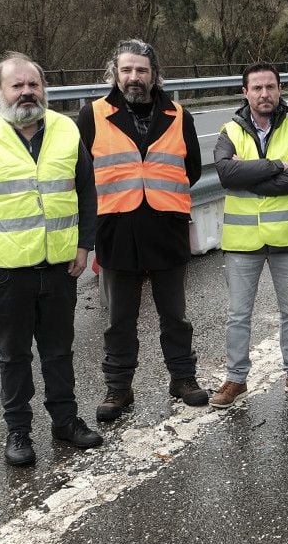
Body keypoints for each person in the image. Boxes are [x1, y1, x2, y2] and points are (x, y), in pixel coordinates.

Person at [0, 52, 102, 466]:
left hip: (60, 267)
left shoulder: (66, 129)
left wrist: (84, 245)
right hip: (5, 273)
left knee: (59, 351)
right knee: (14, 356)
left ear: (43, 89)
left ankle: (65, 422)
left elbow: (86, 191)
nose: (27, 92)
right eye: (17, 85)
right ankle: (18, 432)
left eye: (34, 84)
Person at [76, 39, 206, 421]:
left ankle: (183, 378)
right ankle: (118, 389)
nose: (134, 77)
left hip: (166, 228)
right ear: (115, 73)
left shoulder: (179, 115)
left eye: (142, 70)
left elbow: (192, 169)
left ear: (154, 74)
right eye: (127, 70)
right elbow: (81, 175)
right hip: (117, 229)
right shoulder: (92, 115)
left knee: (175, 316)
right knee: (119, 319)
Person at [210, 63, 288, 407]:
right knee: (238, 314)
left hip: (287, 236)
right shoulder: (230, 130)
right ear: (245, 92)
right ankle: (235, 379)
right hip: (243, 242)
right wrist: (276, 165)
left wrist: (251, 174)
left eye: (270, 87)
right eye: (256, 88)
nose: (264, 94)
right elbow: (227, 173)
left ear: (279, 89)